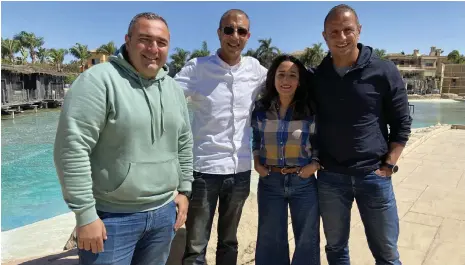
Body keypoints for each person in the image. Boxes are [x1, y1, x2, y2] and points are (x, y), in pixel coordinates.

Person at [53, 12, 193, 265]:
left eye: (161, 42)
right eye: (144, 39)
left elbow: (183, 141)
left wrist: (184, 189)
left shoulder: (173, 89)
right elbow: (72, 148)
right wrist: (85, 215)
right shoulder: (97, 81)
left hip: (164, 213)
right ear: (127, 41)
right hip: (112, 218)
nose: (153, 49)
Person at [311, 4, 412, 265]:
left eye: (348, 30)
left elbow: (401, 123)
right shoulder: (318, 77)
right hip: (331, 178)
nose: (342, 37)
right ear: (324, 36)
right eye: (334, 32)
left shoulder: (384, 70)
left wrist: (389, 164)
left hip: (373, 177)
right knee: (335, 249)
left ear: (359, 30)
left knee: (387, 253)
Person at [174, 9, 267, 265]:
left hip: (241, 170)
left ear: (248, 36)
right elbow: (166, 98)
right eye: (229, 30)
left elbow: (287, 85)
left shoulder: (256, 70)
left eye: (241, 31)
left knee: (229, 241)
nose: (234, 36)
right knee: (195, 244)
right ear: (219, 33)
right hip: (204, 169)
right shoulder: (198, 68)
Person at [252, 54, 321, 265]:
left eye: (292, 75)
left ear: (299, 81)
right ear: (273, 78)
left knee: (307, 242)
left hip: (303, 183)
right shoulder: (262, 109)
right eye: (281, 75)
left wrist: (315, 164)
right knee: (270, 241)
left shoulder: (309, 109)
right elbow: (255, 138)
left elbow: (321, 142)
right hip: (270, 182)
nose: (286, 80)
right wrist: (257, 162)